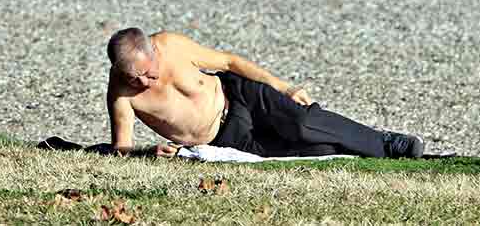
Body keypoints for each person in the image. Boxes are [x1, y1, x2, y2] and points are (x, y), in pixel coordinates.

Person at [105, 28, 424, 159]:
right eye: (134, 78)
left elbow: (229, 62)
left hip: (239, 94)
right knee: (309, 151)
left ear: (153, 50)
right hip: (225, 137)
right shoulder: (122, 94)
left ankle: (387, 142)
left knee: (303, 124)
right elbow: (121, 148)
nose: (143, 82)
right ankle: (369, 150)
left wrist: (283, 86)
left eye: (147, 73)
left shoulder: (170, 44)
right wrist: (146, 152)